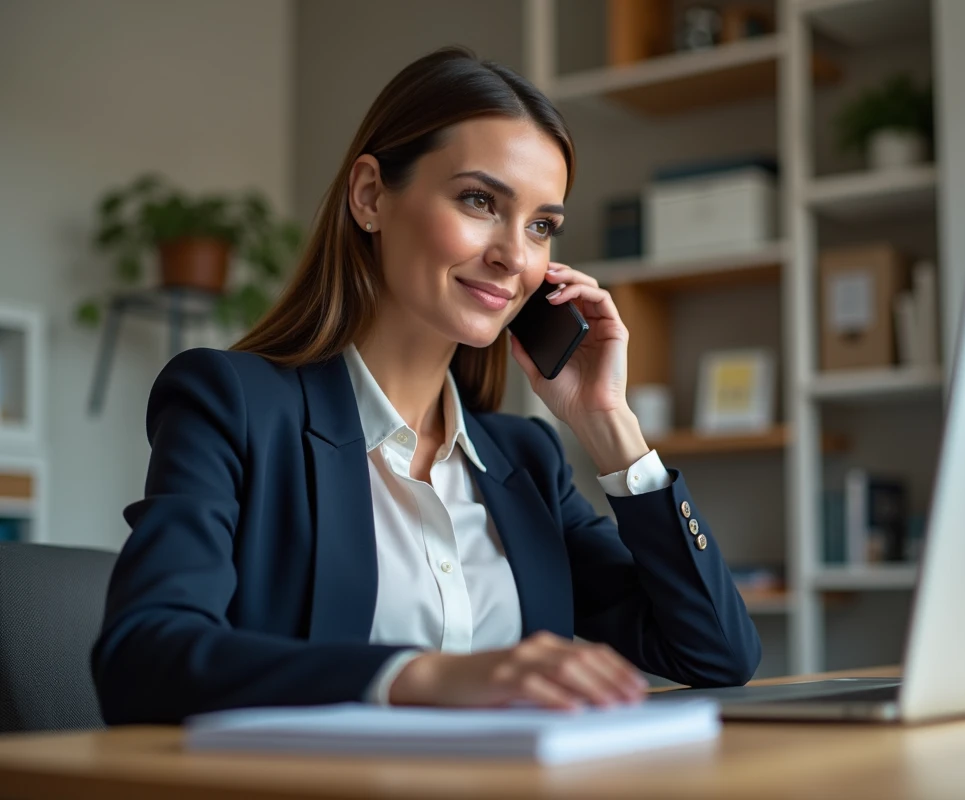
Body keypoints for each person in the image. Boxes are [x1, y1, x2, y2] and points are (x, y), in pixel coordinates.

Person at [91, 46, 761, 725]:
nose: (515, 256)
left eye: (541, 227)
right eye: (479, 200)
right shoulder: (233, 406)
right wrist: (422, 676)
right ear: (370, 196)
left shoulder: (525, 461)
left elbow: (717, 653)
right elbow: (143, 659)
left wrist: (608, 422)